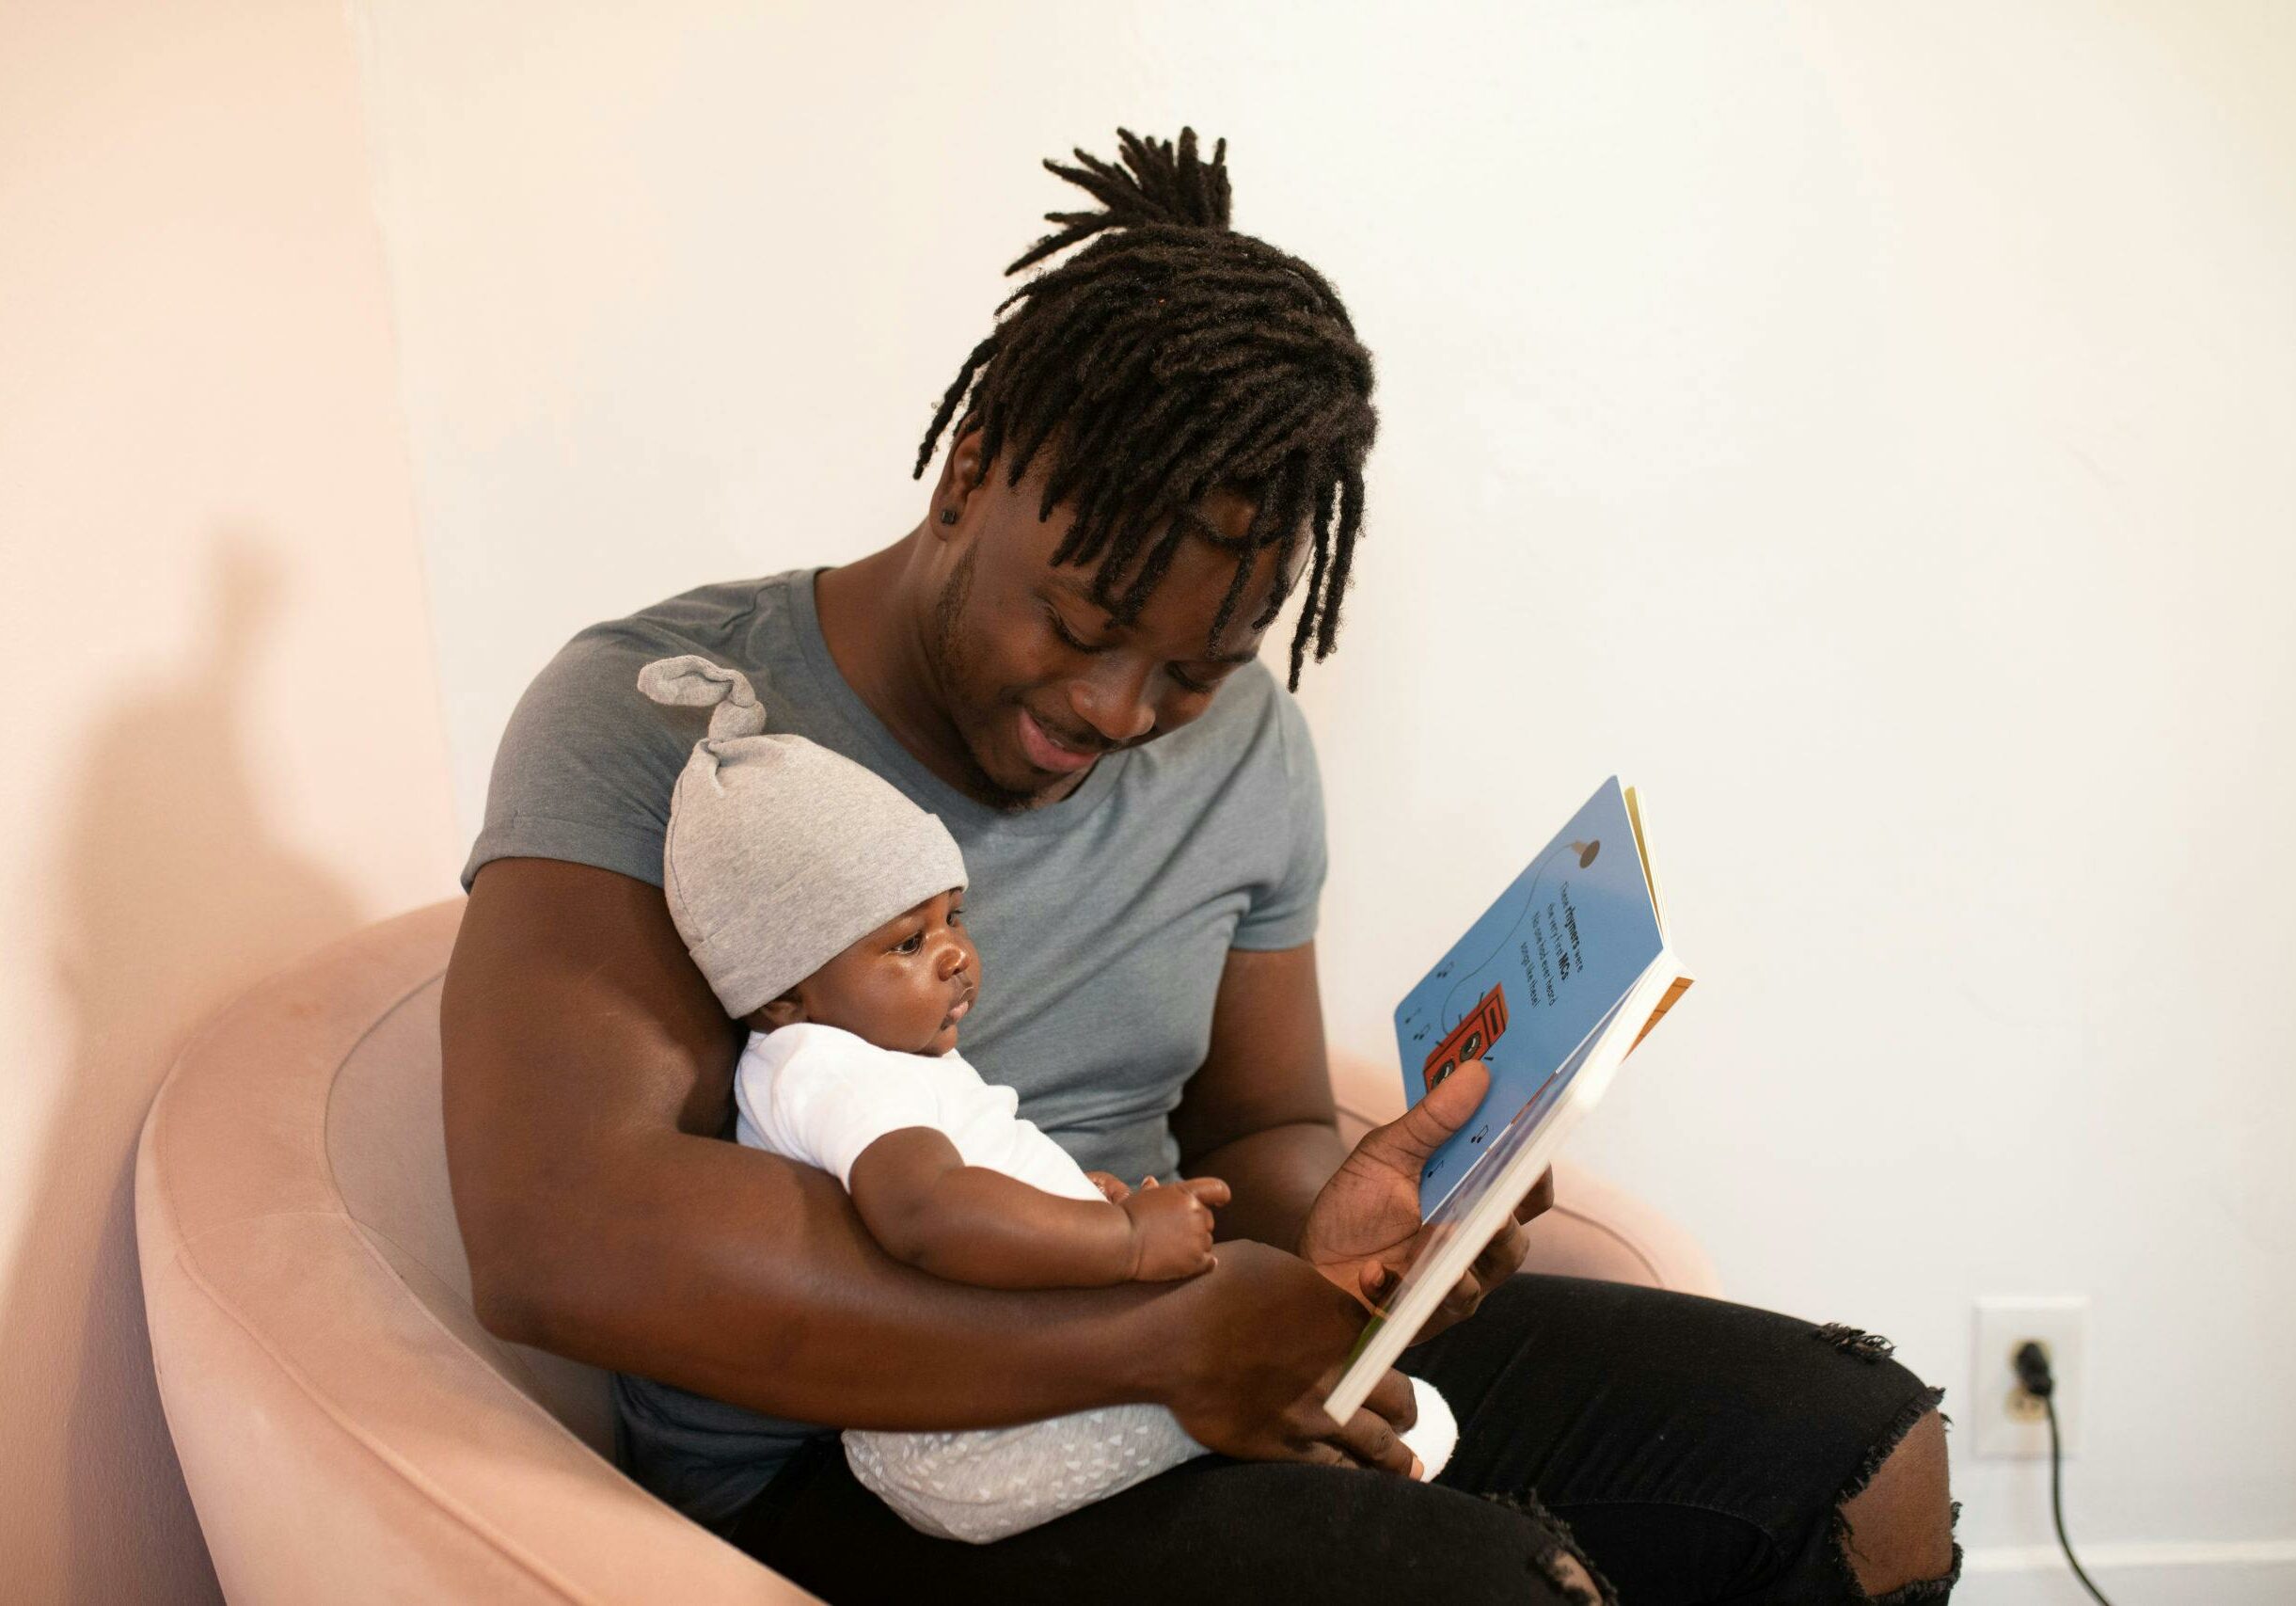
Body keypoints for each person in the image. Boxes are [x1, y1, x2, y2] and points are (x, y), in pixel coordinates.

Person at [443, 129, 1958, 1604]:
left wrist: (1354, 1224)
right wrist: (1145, 1342)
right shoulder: (667, 716)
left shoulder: (1245, 746)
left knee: (1854, 1448)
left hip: (1183, 1338)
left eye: (1194, 665)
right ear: (969, 473)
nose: (1115, 714)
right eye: (1084, 626)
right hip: (854, 1457)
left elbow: (1264, 1121)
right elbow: (560, 1235)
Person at [629, 649, 1460, 1541]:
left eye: (953, 916)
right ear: (782, 991)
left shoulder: (878, 1057)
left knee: (1290, 1369)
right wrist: (1122, 1239)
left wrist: (1068, 1203)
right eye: (906, 943)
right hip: (959, 1437)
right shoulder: (828, 1067)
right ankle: (1358, 1404)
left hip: (994, 1401)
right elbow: (928, 1213)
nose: (953, 953)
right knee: (1310, 1395)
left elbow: (968, 1192)